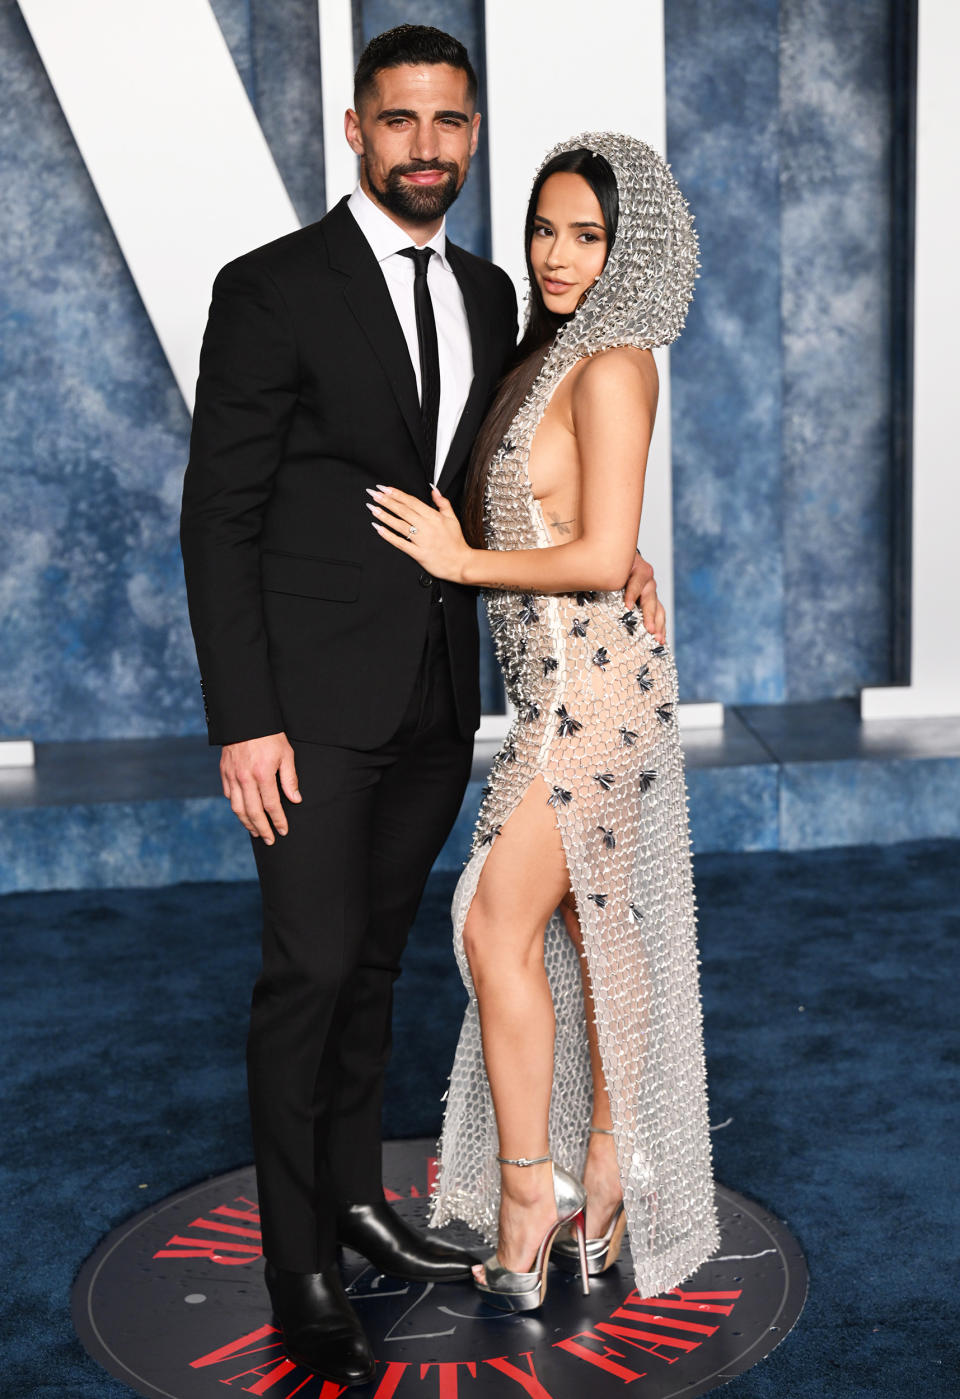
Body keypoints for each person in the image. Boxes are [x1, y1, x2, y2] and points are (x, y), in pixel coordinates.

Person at [180, 26, 665, 1386]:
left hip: (443, 693)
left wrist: (622, 551)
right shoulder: (270, 288)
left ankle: (351, 1202)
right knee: (309, 971)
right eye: (401, 123)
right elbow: (219, 513)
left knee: (380, 964)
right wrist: (245, 714)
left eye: (452, 123)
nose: (429, 148)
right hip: (309, 709)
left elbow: (523, 469)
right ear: (354, 130)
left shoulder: (496, 294)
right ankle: (300, 1263)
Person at [370, 133, 719, 1312]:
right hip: (562, 690)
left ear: (630, 249)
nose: (559, 256)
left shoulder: (617, 361)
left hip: (592, 700)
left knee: (493, 927)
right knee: (580, 939)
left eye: (588, 235)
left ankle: (535, 1198)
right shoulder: (549, 353)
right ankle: (601, 1176)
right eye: (544, 230)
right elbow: (588, 529)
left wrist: (463, 560)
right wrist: (605, 558)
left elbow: (598, 550)